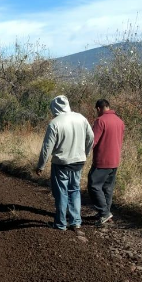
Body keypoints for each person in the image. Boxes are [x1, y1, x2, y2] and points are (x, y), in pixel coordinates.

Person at [36, 95, 94, 231]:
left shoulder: (54, 123)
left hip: (61, 163)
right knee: (75, 190)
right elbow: (91, 137)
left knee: (61, 192)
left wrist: (41, 165)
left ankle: (60, 223)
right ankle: (76, 221)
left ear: (54, 107)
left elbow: (47, 147)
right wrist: (85, 154)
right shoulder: (81, 118)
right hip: (78, 161)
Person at [87, 99, 125, 226]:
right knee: (107, 188)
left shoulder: (100, 121)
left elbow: (93, 141)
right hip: (115, 160)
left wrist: (83, 153)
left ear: (98, 108)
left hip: (102, 160)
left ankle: (104, 213)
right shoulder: (119, 121)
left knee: (93, 185)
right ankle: (106, 213)